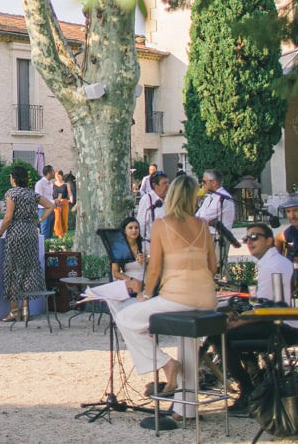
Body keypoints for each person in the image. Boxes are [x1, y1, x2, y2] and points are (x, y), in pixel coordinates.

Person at [109, 175, 217, 418]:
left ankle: (166, 364)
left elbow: (154, 269)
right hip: (207, 298)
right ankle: (184, 409)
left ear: (172, 196)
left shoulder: (162, 224)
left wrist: (146, 295)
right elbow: (213, 266)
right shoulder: (202, 225)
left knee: (126, 318)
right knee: (188, 346)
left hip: (178, 297)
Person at [203, 222, 298, 415]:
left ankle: (248, 390)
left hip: (285, 326)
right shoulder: (272, 262)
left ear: (270, 240)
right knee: (226, 328)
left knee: (217, 334)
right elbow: (264, 306)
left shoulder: (273, 265)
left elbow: (268, 310)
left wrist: (237, 321)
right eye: (247, 238)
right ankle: (255, 379)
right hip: (281, 321)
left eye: (255, 237)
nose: (249, 242)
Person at [0, 166, 50, 322]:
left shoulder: (12, 193)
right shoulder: (32, 194)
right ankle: (25, 308)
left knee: (12, 269)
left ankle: (13, 310)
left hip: (16, 232)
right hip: (31, 232)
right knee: (28, 268)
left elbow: (8, 217)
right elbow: (51, 206)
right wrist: (39, 220)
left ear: (13, 178)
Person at [111, 216, 148, 286]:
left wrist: (146, 258)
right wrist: (132, 280)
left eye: (136, 228)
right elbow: (116, 273)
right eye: (130, 228)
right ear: (124, 231)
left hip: (144, 283)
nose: (134, 230)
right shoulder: (118, 248)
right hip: (127, 283)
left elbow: (155, 261)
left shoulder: (145, 245)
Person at [137, 172, 169, 243]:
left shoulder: (169, 199)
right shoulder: (147, 200)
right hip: (151, 244)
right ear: (155, 185)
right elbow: (141, 224)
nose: (167, 185)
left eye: (167, 183)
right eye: (164, 183)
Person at [36, 165, 58, 238]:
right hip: (43, 210)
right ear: (49, 173)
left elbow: (49, 197)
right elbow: (39, 198)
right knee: (44, 233)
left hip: (51, 210)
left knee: (50, 232)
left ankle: (49, 248)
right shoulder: (40, 184)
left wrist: (55, 202)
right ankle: (44, 249)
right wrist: (54, 201)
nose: (54, 173)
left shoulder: (50, 184)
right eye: (53, 171)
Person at [54, 171, 73, 237]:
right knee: (58, 219)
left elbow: (70, 193)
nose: (57, 177)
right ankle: (59, 235)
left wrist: (71, 200)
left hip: (64, 202)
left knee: (64, 218)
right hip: (56, 203)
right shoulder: (53, 184)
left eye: (59, 176)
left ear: (62, 176)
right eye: (56, 176)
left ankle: (65, 234)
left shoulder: (66, 184)